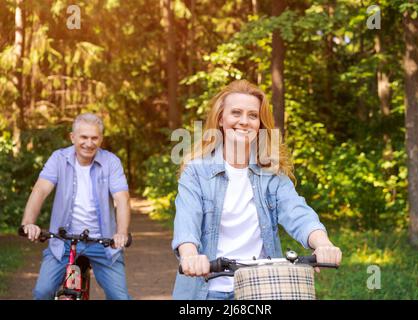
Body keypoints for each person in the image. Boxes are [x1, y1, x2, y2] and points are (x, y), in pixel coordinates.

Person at [172, 80, 342, 300]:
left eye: (252, 115)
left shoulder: (271, 173)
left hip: (260, 288)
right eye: (236, 113)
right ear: (221, 119)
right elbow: (187, 221)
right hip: (206, 290)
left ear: (260, 124)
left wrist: (322, 243)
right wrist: (190, 255)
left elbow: (297, 211)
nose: (244, 121)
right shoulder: (196, 172)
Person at [20, 113, 132, 300]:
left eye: (94, 137)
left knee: (120, 297)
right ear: (73, 137)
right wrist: (28, 223)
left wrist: (121, 232)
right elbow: (40, 190)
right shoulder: (59, 158)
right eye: (84, 137)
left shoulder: (111, 162)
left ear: (101, 139)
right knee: (42, 292)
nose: (89, 143)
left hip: (102, 242)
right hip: (64, 242)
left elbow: (122, 199)